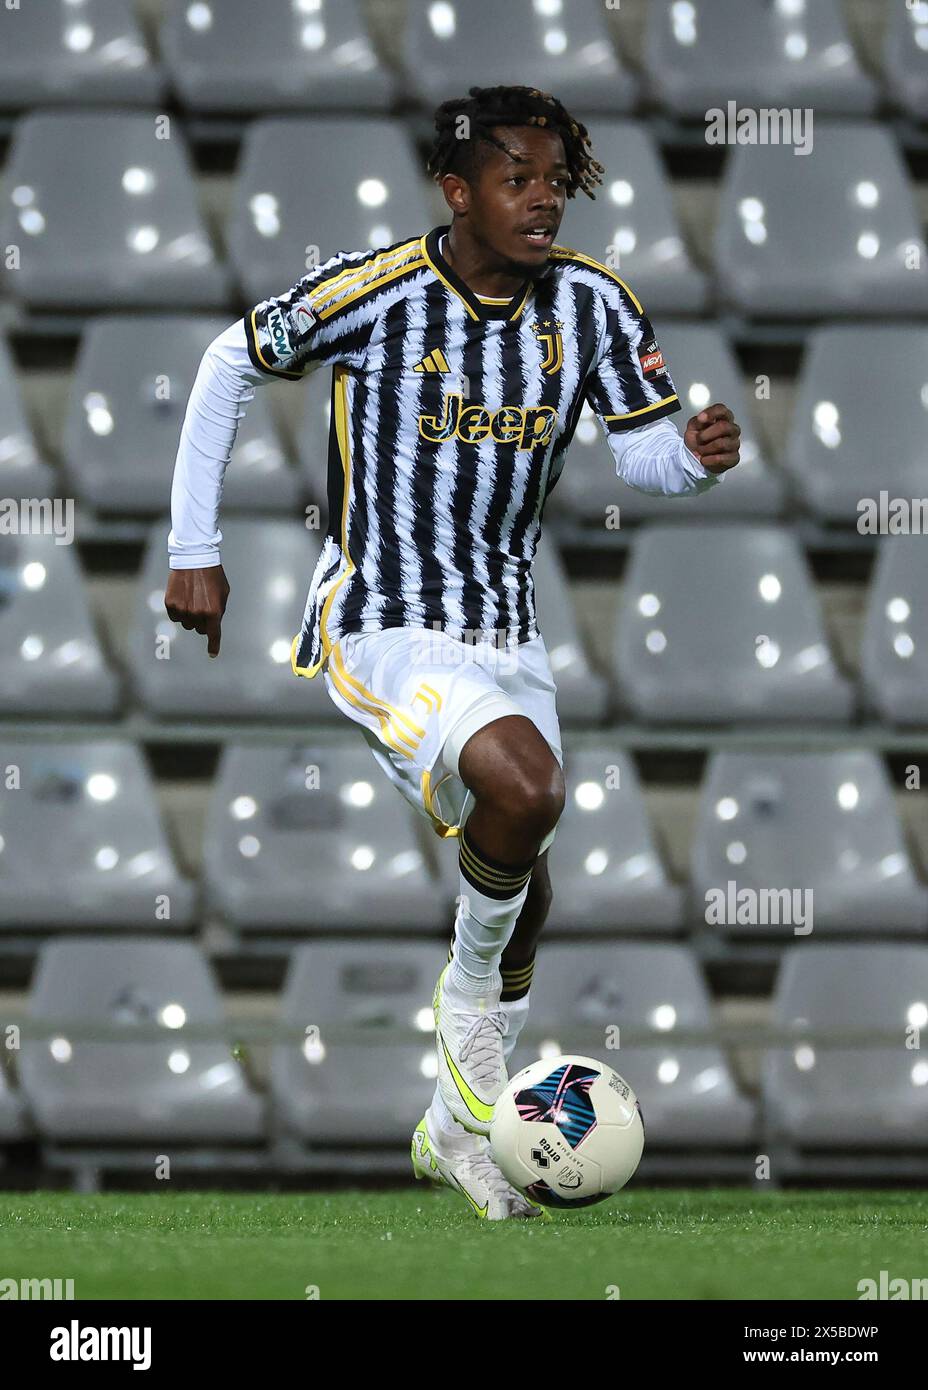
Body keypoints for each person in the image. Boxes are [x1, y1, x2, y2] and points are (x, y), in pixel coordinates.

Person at [165, 84, 741, 1220]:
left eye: (554, 180)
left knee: (523, 879)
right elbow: (230, 360)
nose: (542, 200)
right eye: (517, 178)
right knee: (528, 787)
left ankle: (448, 1131)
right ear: (457, 190)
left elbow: (643, 461)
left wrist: (700, 458)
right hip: (381, 618)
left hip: (507, 631)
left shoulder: (593, 305)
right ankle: (472, 1042)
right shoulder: (376, 294)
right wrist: (196, 549)